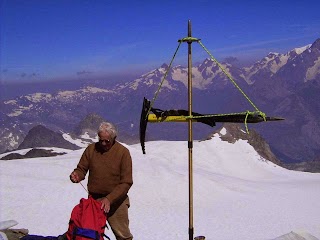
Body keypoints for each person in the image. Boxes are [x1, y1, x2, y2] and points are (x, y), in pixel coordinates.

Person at [70, 121, 133, 240]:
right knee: (91, 234)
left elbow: (126, 182)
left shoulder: (123, 153)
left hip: (117, 202)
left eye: (107, 141)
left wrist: (109, 199)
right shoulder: (91, 149)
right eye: (101, 140)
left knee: (123, 236)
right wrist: (77, 175)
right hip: (94, 201)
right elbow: (81, 169)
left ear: (114, 138)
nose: (103, 143)